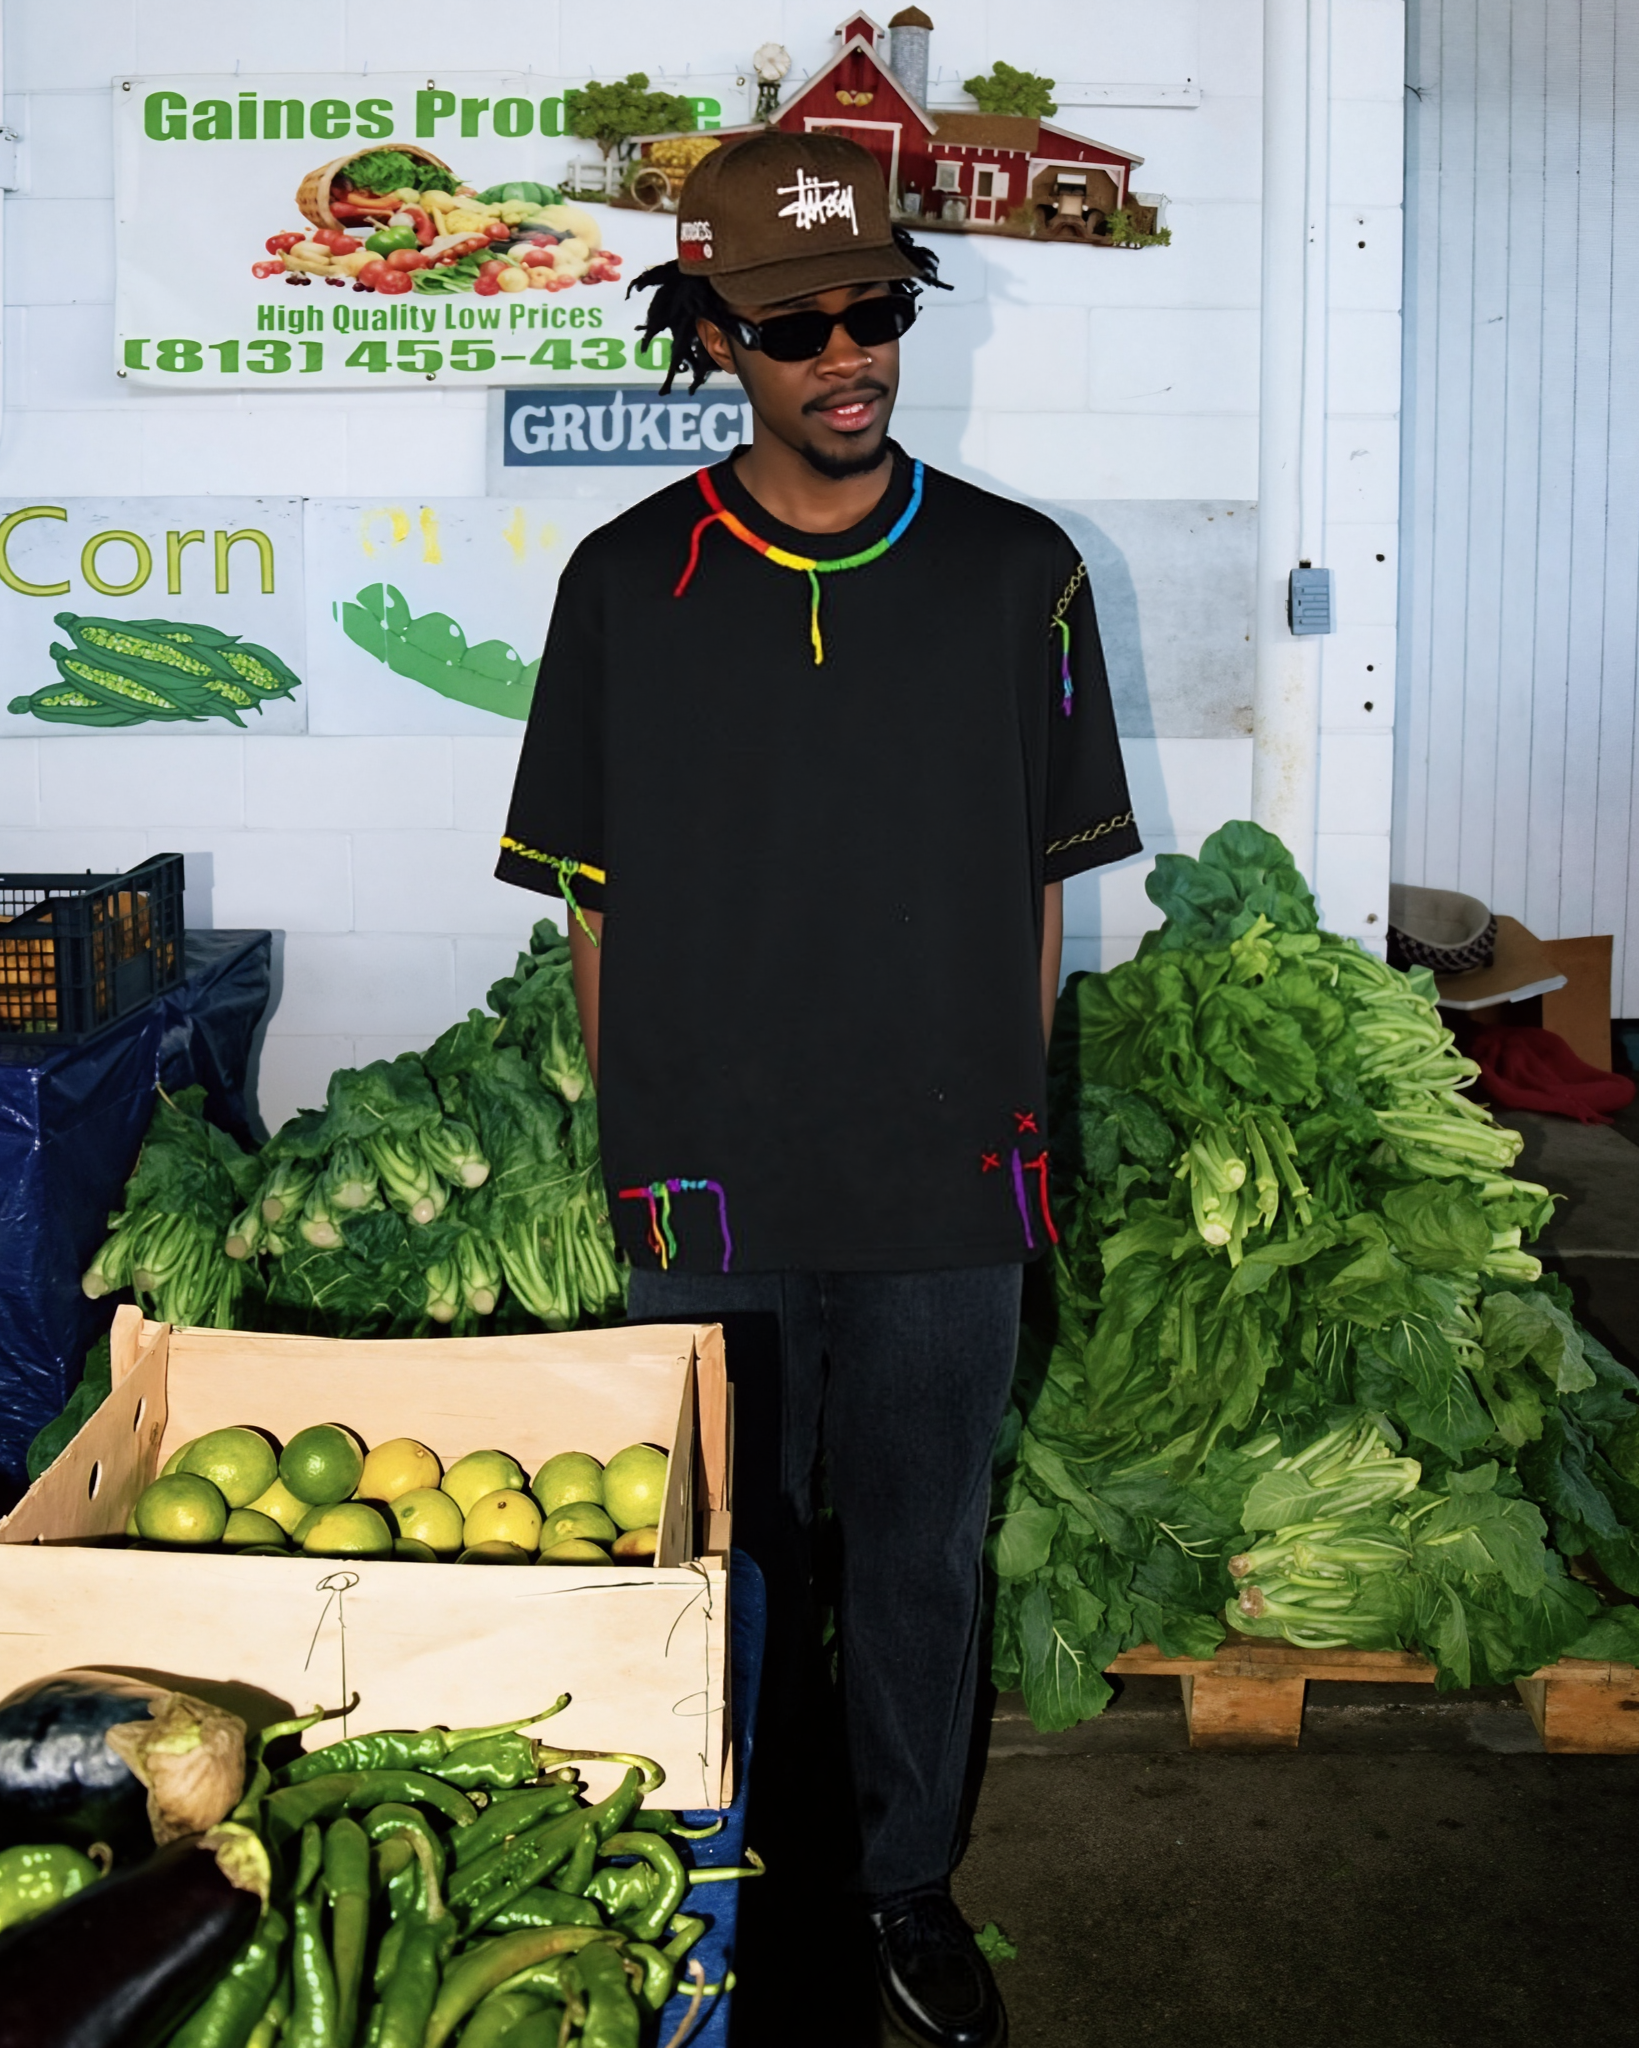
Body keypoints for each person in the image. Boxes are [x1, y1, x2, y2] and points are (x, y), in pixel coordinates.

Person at [497, 130, 1139, 2048]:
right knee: (729, 1553)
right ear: (712, 337)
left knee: (926, 1549)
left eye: (871, 312)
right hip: (707, 1185)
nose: (842, 356)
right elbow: (590, 915)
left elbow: (1040, 896)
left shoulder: (1021, 574)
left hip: (948, 1174)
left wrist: (1006, 1137)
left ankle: (900, 1890)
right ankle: (746, 1877)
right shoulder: (629, 584)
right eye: (793, 327)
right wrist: (638, 1161)